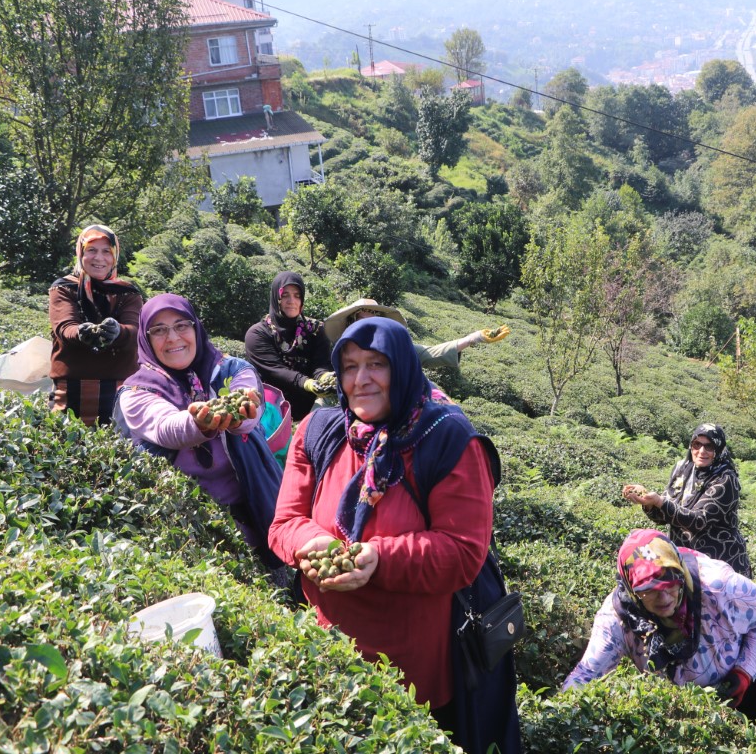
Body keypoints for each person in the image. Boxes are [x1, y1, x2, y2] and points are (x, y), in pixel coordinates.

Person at [268, 317, 520, 753]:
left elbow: (463, 552)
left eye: (375, 365)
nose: (360, 380)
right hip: (324, 648)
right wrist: (310, 544)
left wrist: (379, 558)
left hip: (413, 665)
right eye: (349, 366)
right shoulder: (318, 431)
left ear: (403, 367)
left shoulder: (449, 439)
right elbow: (284, 523)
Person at [116, 294, 290, 581]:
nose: (172, 338)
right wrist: (201, 421)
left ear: (196, 327)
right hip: (190, 522)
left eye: (181, 325)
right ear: (146, 339)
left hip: (255, 502)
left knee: (279, 585)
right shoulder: (136, 392)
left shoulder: (232, 368)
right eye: (158, 330)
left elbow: (250, 410)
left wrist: (241, 416)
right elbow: (166, 427)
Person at [562, 529, 756, 725]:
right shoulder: (617, 617)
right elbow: (587, 673)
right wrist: (557, 715)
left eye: (670, 583)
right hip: (688, 693)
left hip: (746, 669)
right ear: (631, 590)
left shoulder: (719, 586)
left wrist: (745, 672)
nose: (664, 597)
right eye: (650, 589)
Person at [623, 423, 752, 577]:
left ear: (718, 449)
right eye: (697, 444)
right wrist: (649, 503)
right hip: (687, 562)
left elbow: (699, 521)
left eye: (709, 446)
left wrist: (660, 502)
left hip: (720, 565)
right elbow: (664, 516)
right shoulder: (682, 470)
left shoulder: (725, 480)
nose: (701, 451)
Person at [48, 224, 143, 425]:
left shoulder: (128, 293)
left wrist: (117, 332)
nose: (99, 258)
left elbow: (135, 330)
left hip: (120, 390)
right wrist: (82, 333)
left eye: (106, 252)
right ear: (80, 253)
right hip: (70, 391)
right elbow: (64, 327)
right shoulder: (64, 288)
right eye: (91, 250)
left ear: (115, 257)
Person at [244, 272, 335, 422]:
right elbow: (276, 370)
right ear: (275, 297)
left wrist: (326, 378)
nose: (291, 301)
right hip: (271, 414)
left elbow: (320, 365)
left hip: (310, 412)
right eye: (285, 295)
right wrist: (307, 383)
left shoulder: (316, 330)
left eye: (297, 295)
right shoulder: (258, 334)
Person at [323, 298, 510, 370]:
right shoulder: (341, 352)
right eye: (363, 321)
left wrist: (473, 338)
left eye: (375, 320)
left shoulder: (394, 350)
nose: (369, 327)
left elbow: (429, 353)